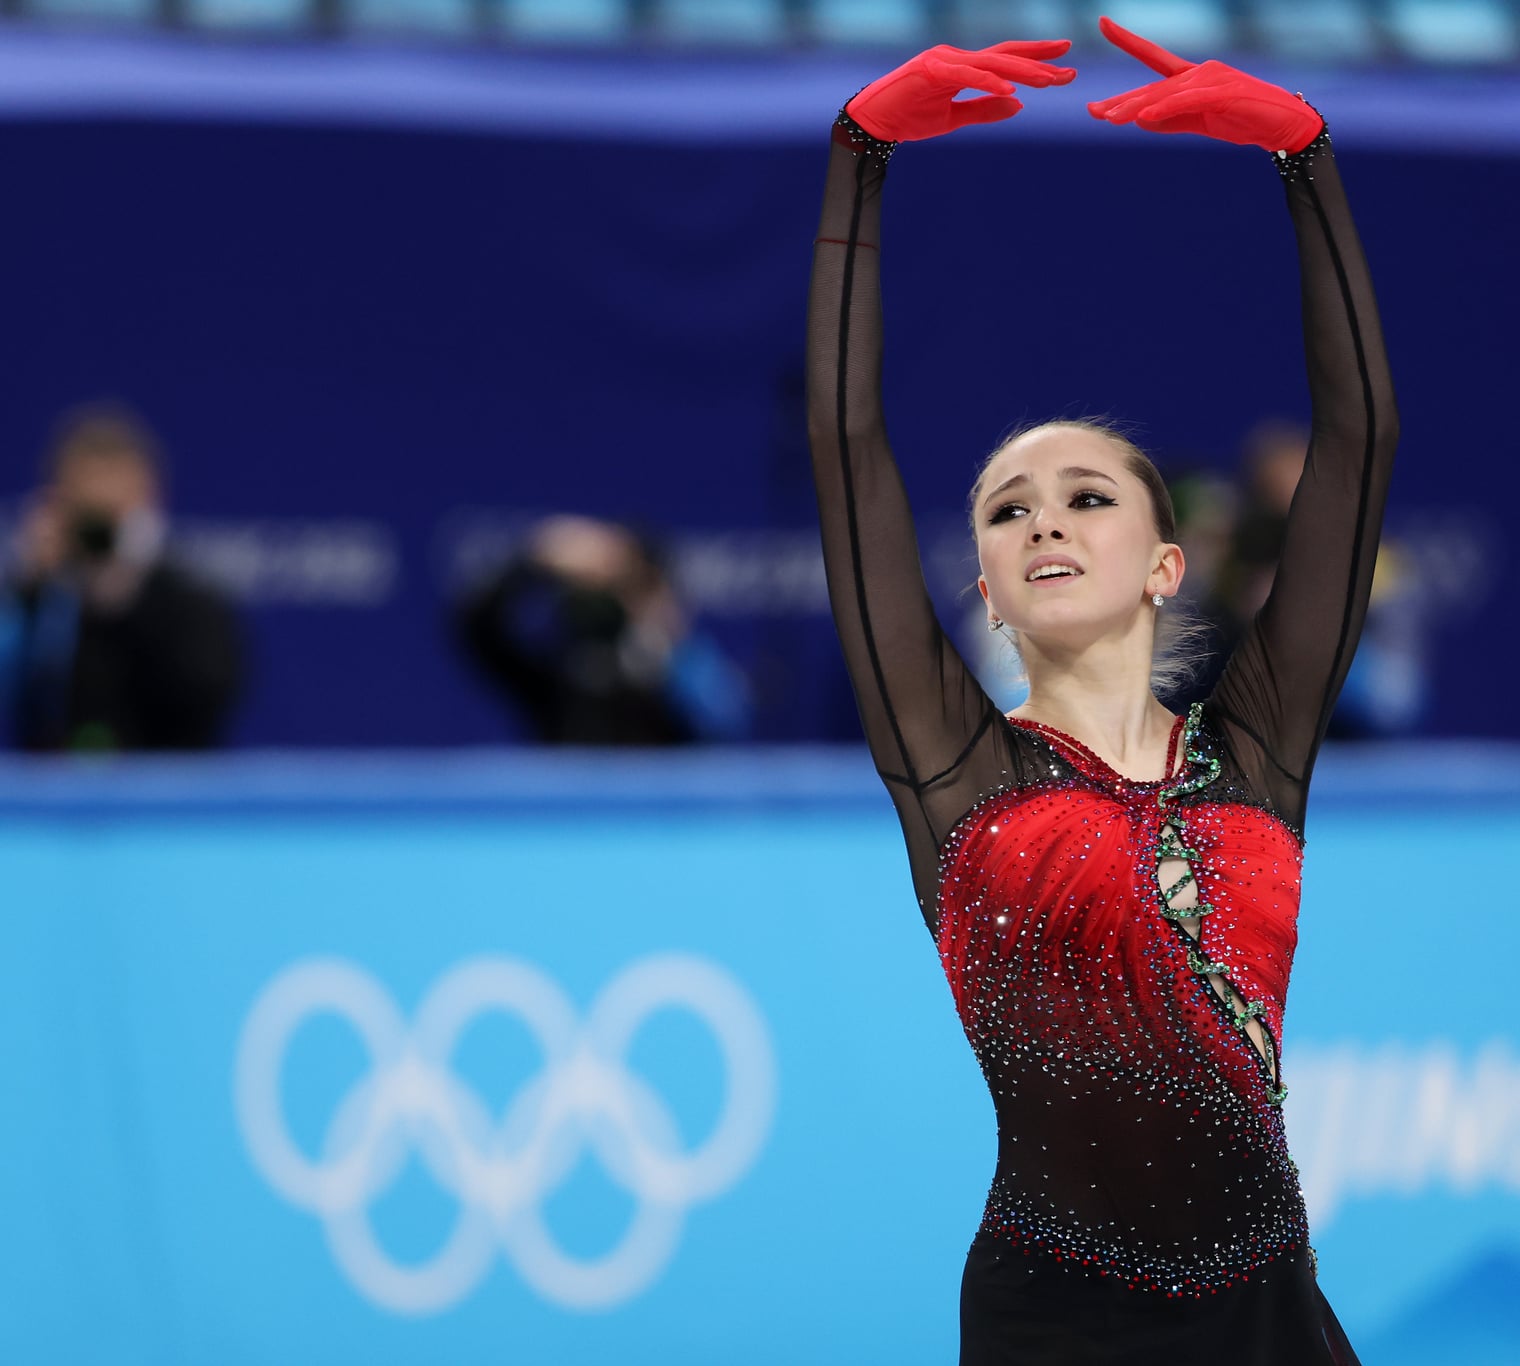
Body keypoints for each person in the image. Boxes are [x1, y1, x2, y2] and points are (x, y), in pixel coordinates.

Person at [806, 20, 1397, 1364]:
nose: (1045, 522)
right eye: (1008, 512)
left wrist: (1305, 160)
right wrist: (859, 161)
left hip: (1269, 1317)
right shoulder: (960, 776)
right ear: (986, 591)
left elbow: (1360, 440)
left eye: (1087, 496)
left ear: (1164, 561)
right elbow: (847, 452)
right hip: (1053, 1315)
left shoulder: (1255, 755)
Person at [1, 403, 243, 751]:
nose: (101, 531)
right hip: (55, 795)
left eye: (114, 511)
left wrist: (126, 601)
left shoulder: (191, 598)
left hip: (167, 795)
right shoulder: (37, 595)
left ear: (148, 500)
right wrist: (28, 592)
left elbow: (209, 698)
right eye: (88, 511)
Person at [453, 514, 751, 745]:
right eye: (598, 586)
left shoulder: (676, 666)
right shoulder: (557, 680)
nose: (610, 597)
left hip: (660, 821)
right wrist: (533, 561)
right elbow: (476, 626)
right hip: (567, 819)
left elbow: (726, 720)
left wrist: (668, 642)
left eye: (629, 584)